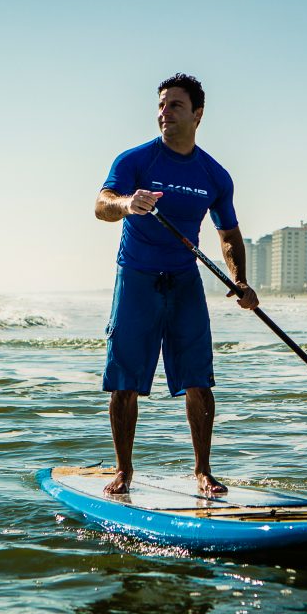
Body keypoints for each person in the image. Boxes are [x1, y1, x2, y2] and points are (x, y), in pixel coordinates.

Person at [94, 73, 259, 496]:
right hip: (137, 278)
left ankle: (203, 472)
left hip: (184, 281)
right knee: (125, 380)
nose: (164, 113)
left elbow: (228, 233)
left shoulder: (214, 175)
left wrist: (239, 279)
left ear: (197, 114)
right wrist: (128, 204)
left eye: (175, 106)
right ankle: (124, 471)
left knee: (199, 379)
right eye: (162, 105)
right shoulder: (135, 160)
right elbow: (102, 204)